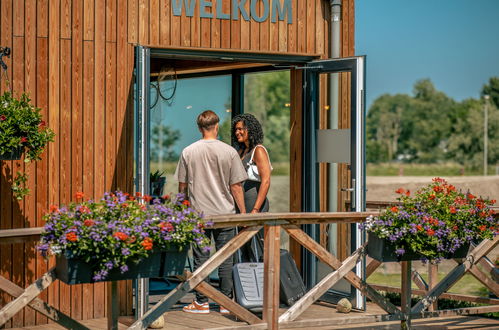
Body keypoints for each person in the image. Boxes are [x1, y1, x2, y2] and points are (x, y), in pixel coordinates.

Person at [176, 110, 247, 314]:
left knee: (201, 258)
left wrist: (183, 208)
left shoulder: (188, 151)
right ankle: (225, 303)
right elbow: (236, 186)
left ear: (199, 129)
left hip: (200, 216)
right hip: (225, 214)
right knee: (226, 258)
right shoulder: (229, 152)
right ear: (217, 127)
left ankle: (202, 302)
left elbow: (182, 186)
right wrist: (243, 213)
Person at [231, 113, 272, 261]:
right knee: (242, 249)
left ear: (251, 129)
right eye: (236, 130)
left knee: (256, 249)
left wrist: (255, 210)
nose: (237, 133)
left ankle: (262, 282)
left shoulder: (258, 150)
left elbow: (266, 181)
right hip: (242, 206)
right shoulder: (241, 151)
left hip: (255, 204)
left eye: (241, 129)